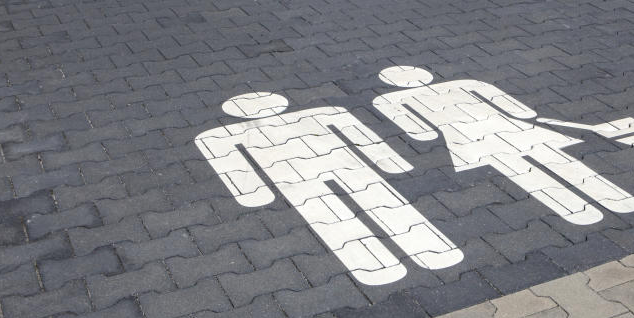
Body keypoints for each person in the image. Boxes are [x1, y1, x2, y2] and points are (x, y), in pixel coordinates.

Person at [194, 91, 462, 285]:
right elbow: (360, 134)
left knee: (331, 218)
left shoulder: (225, 133)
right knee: (385, 205)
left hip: (300, 182)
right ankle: (432, 251)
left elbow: (231, 163)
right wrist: (390, 161)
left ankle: (374, 265)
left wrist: (254, 193)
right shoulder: (323, 113)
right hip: (347, 170)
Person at [373, 66, 634, 225]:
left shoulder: (392, 100)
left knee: (519, 171)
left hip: (465, 139)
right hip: (508, 127)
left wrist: (432, 130)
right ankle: (613, 196)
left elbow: (421, 133)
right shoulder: (466, 83)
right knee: (555, 159)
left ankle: (573, 209)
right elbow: (515, 108)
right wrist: (520, 113)